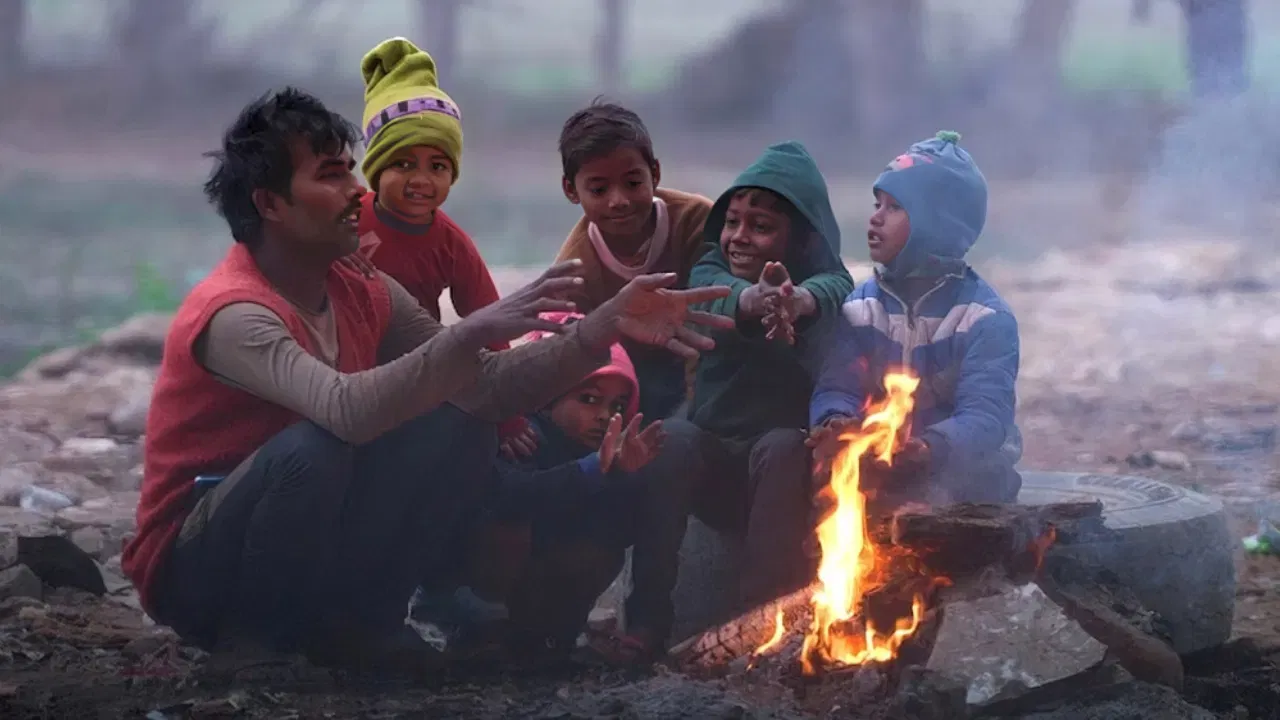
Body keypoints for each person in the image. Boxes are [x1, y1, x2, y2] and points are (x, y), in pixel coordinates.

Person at [120, 87, 733, 674]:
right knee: (315, 449)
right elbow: (347, 412)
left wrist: (600, 329)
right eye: (332, 175)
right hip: (198, 570)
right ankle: (253, 642)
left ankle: (364, 623)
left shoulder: (359, 285)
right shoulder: (236, 312)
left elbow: (487, 387)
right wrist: (467, 333)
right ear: (270, 204)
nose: (357, 190)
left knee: (465, 423)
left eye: (349, 170)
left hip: (314, 532)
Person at [663, 141, 855, 608]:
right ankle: (648, 615)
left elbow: (833, 286)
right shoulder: (711, 267)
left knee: (785, 445)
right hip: (713, 462)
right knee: (671, 437)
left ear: (803, 239)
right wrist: (756, 300)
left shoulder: (824, 281)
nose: (739, 236)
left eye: (761, 226)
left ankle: (764, 618)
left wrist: (797, 301)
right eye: (732, 222)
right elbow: (714, 292)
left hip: (779, 478)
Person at [808, 131, 1022, 510]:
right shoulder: (860, 309)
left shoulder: (984, 319)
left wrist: (927, 448)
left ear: (938, 226)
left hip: (952, 466)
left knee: (982, 480)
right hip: (879, 456)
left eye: (894, 207)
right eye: (877, 203)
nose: (875, 218)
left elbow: (986, 417)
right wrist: (835, 421)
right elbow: (837, 385)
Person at [354, 37, 537, 459]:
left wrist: (506, 418)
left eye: (437, 166)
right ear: (376, 169)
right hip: (345, 376)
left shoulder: (452, 245)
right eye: (403, 164)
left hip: (420, 376)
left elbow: (491, 325)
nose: (421, 179)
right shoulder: (347, 220)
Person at [462, 312, 682, 663]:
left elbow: (620, 531)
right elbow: (508, 497)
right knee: (510, 527)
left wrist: (622, 475)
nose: (604, 416)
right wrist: (592, 471)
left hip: (551, 585)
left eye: (617, 407)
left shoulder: (600, 454)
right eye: (588, 399)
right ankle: (483, 630)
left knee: (606, 540)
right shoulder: (519, 435)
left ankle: (555, 635)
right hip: (494, 583)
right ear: (548, 396)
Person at [553, 100, 714, 421]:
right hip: (625, 390)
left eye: (633, 183)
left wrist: (699, 413)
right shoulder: (574, 268)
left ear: (654, 173)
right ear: (571, 191)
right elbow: (570, 356)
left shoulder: (698, 221)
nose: (619, 201)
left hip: (709, 366)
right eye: (599, 189)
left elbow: (717, 316)